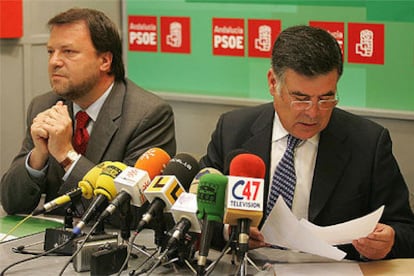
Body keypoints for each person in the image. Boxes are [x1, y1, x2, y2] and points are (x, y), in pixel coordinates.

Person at [200, 25, 414, 261]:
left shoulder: (368, 143)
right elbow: (199, 208)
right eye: (301, 99)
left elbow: (405, 228)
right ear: (273, 83)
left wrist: (389, 240)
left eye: (326, 98)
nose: (313, 113)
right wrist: (228, 231)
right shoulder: (232, 131)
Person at [0, 8, 176, 222]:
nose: (54, 61)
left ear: (105, 61)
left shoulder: (147, 115)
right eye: (50, 52)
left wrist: (67, 156)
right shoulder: (43, 106)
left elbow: (129, 212)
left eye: (68, 52)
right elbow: (11, 203)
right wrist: (38, 157)